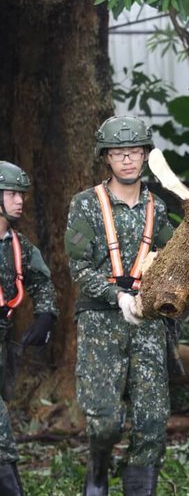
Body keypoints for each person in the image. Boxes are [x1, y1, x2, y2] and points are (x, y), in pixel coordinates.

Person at [65, 116, 173, 496]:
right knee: (104, 420)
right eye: (118, 153)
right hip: (100, 318)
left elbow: (172, 260)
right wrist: (117, 296)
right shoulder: (85, 204)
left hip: (146, 322)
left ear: (145, 156)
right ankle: (96, 472)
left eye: (134, 152)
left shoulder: (158, 207)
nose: (127, 160)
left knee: (152, 419)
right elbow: (78, 266)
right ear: (106, 158)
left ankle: (139, 487)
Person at [0, 161, 58, 495]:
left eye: (21, 194)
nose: (20, 200)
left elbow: (42, 282)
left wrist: (45, 316)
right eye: (11, 194)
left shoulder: (19, 245)